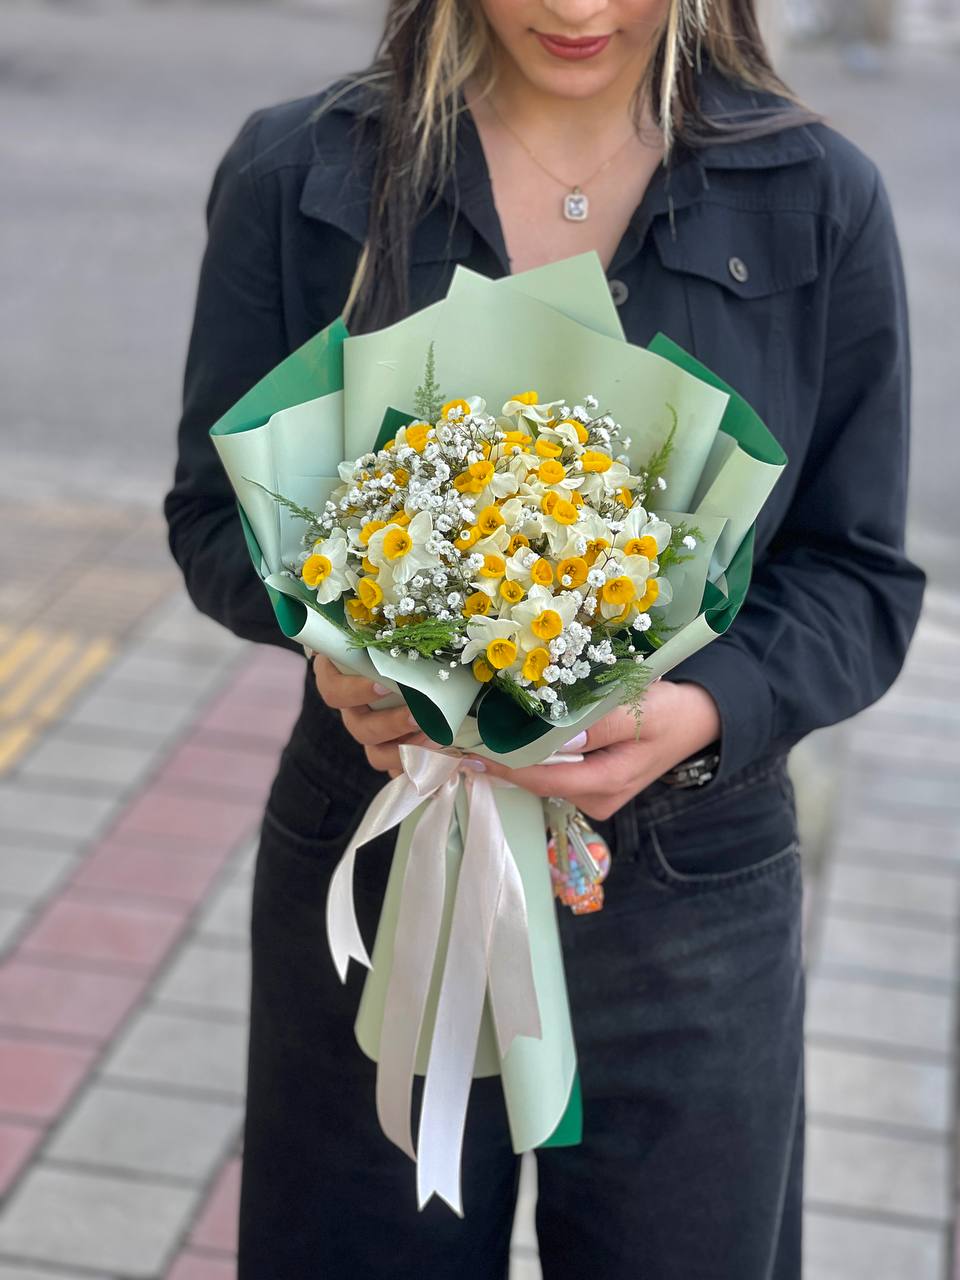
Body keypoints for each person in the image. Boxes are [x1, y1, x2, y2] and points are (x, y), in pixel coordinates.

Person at [164, 1, 925, 1276]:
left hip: (693, 884)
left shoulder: (817, 195)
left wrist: (705, 708)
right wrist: (344, 639)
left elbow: (858, 575)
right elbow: (210, 517)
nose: (576, 10)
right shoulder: (300, 172)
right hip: (384, 837)